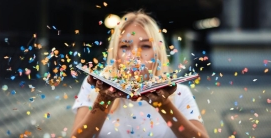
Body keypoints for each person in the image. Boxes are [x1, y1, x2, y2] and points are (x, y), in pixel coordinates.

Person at [71, 10, 209, 138]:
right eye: (125, 46)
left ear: (157, 52)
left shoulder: (180, 93)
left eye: (145, 46)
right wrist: (103, 100)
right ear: (115, 53)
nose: (134, 56)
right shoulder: (93, 88)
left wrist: (164, 104)